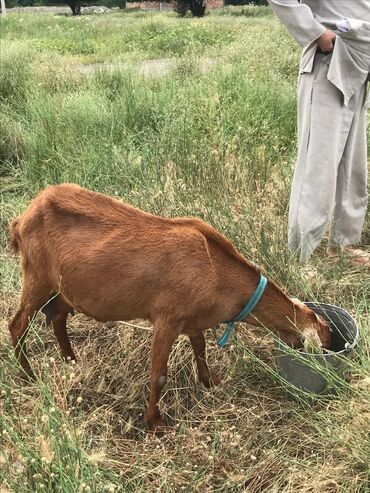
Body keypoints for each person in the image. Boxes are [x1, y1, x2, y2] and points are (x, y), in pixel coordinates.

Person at [267, 0, 370, 266]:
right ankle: (301, 257)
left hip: (359, 63)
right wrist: (314, 32)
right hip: (329, 61)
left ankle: (343, 245)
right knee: (318, 167)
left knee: (353, 165)